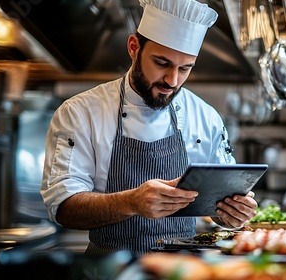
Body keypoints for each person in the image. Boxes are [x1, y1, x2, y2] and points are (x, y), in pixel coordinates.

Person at [40, 0, 258, 256]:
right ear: (134, 47)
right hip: (110, 271)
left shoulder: (206, 117)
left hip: (184, 271)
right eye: (162, 63)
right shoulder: (80, 113)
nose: (172, 80)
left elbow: (223, 200)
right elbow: (63, 207)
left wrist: (232, 214)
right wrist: (130, 202)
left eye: (185, 68)